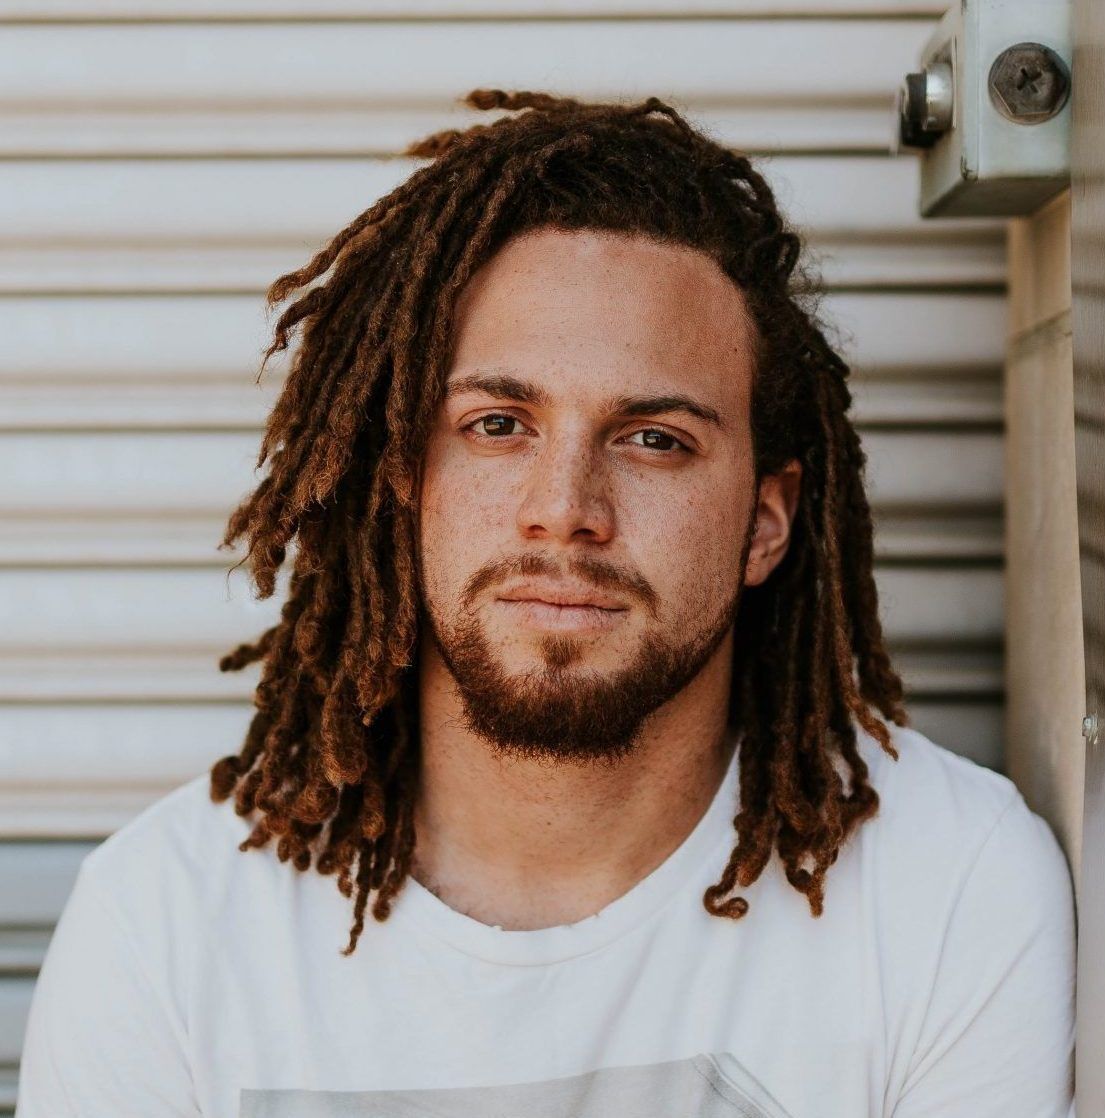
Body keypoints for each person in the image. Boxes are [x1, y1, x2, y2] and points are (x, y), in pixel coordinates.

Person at [16, 89, 1075, 1118]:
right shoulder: (164, 925)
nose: (563, 510)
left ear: (766, 520)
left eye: (654, 439)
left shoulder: (948, 889)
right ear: (402, 480)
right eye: (495, 424)